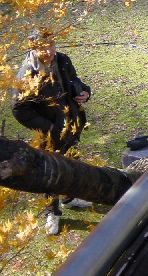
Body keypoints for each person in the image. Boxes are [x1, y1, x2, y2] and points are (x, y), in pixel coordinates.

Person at [12, 28, 93, 235]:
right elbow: (19, 109)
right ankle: (51, 212)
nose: (48, 51)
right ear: (32, 48)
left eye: (51, 45)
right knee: (50, 172)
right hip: (49, 133)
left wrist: (85, 92)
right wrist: (49, 128)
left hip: (70, 125)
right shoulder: (27, 74)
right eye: (42, 47)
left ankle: (70, 198)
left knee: (72, 162)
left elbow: (75, 81)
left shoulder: (63, 60)